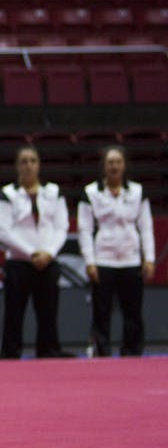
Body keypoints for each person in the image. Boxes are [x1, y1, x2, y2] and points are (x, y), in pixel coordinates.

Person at [77, 145, 155, 356]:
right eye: (110, 162)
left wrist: (149, 258)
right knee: (101, 311)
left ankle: (132, 351)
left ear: (124, 166)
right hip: (104, 259)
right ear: (103, 166)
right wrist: (90, 261)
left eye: (118, 162)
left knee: (133, 311)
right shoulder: (91, 192)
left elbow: (146, 226)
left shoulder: (137, 191)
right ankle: (102, 350)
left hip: (130, 258)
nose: (114, 166)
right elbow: (84, 229)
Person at [0, 146, 70, 359]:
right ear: (17, 166)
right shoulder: (7, 194)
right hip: (19, 262)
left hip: (48, 261)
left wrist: (49, 253)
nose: (28, 165)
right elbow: (3, 232)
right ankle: (10, 353)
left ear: (39, 165)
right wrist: (31, 253)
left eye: (33, 161)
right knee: (14, 314)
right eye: (24, 161)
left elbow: (62, 227)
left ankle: (48, 351)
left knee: (48, 313)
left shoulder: (53, 192)